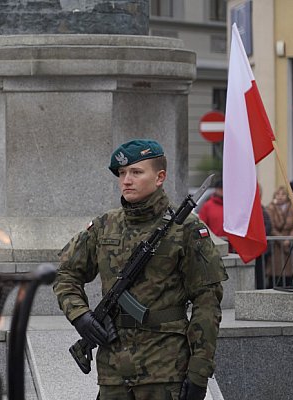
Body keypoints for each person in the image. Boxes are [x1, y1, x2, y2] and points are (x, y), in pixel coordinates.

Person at [53, 139, 227, 400]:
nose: (126, 180)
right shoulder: (104, 226)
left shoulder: (186, 230)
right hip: (113, 373)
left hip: (165, 371)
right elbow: (66, 274)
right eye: (122, 173)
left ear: (160, 177)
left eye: (136, 172)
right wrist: (80, 316)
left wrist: (199, 372)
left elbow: (207, 302)